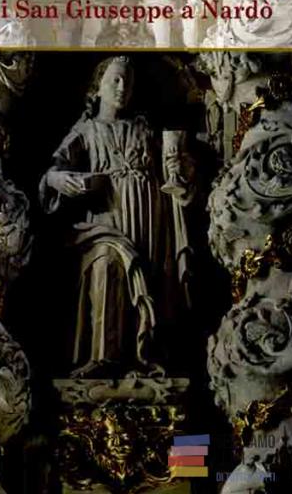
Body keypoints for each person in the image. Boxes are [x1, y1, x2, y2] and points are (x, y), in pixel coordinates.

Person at [39, 56, 194, 378]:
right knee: (108, 264)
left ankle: (144, 356)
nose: (123, 87)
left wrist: (180, 169)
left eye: (128, 82)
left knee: (149, 280)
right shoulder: (86, 130)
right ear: (98, 87)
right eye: (116, 80)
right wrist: (58, 179)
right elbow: (54, 170)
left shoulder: (143, 128)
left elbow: (174, 171)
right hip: (106, 220)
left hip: (150, 222)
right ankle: (102, 356)